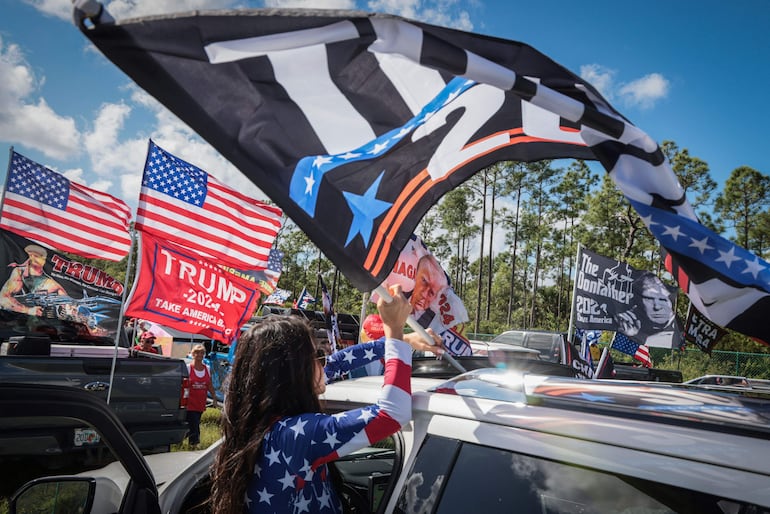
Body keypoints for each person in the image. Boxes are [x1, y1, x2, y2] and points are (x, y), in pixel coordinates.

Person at [210, 284, 419, 514]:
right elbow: (391, 413)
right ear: (293, 372)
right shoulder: (296, 434)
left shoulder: (265, 427)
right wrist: (394, 330)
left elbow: (334, 365)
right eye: (317, 356)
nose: (324, 363)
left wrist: (401, 341)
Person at [0, 244, 67, 316]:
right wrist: (28, 310)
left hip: (46, 320)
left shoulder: (54, 279)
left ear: (44, 259)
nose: (32, 258)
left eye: (36, 256)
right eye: (30, 255)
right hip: (16, 318)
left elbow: (65, 306)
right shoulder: (19, 273)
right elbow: (3, 298)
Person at [615, 272, 677, 343]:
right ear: (639, 301)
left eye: (663, 299)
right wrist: (630, 335)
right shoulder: (630, 326)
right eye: (649, 299)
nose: (657, 306)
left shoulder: (677, 334)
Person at [187, 343, 217, 449]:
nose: (199, 355)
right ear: (192, 354)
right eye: (197, 353)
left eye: (202, 353)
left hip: (200, 402)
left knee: (194, 422)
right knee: (194, 423)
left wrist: (214, 398)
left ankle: (186, 439)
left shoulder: (207, 368)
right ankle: (194, 444)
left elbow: (209, 384)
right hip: (189, 402)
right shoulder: (188, 368)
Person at [407, 254, 448, 327]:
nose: (424, 294)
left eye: (431, 292)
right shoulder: (395, 294)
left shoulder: (430, 320)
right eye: (424, 281)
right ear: (415, 274)